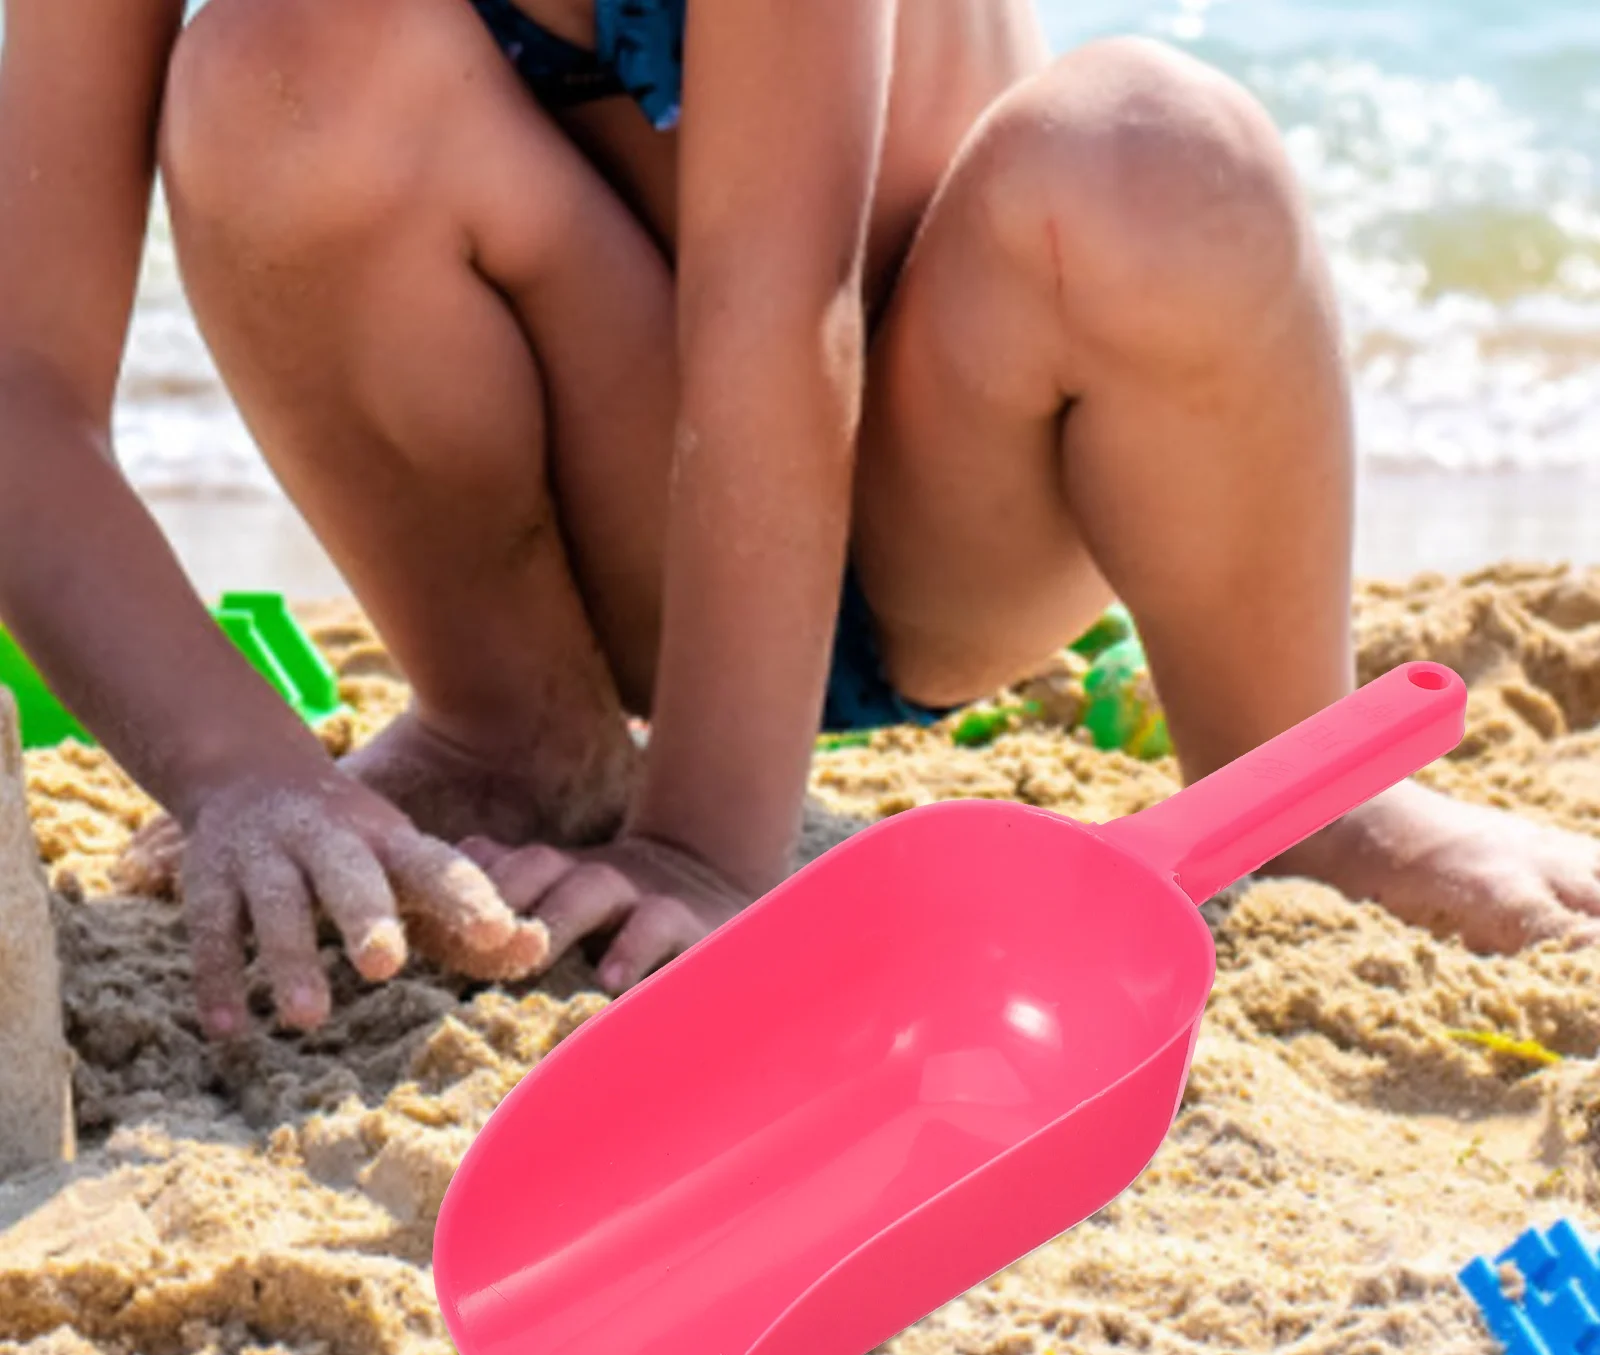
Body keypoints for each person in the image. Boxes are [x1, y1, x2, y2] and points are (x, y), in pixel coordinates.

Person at [1, 0, 1596, 1042]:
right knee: (280, 64)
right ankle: (518, 727)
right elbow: (21, 386)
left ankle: (1290, 772)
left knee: (1158, 158)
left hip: (942, 496)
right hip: (614, 522)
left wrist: (707, 850)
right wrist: (242, 773)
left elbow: (789, 317)